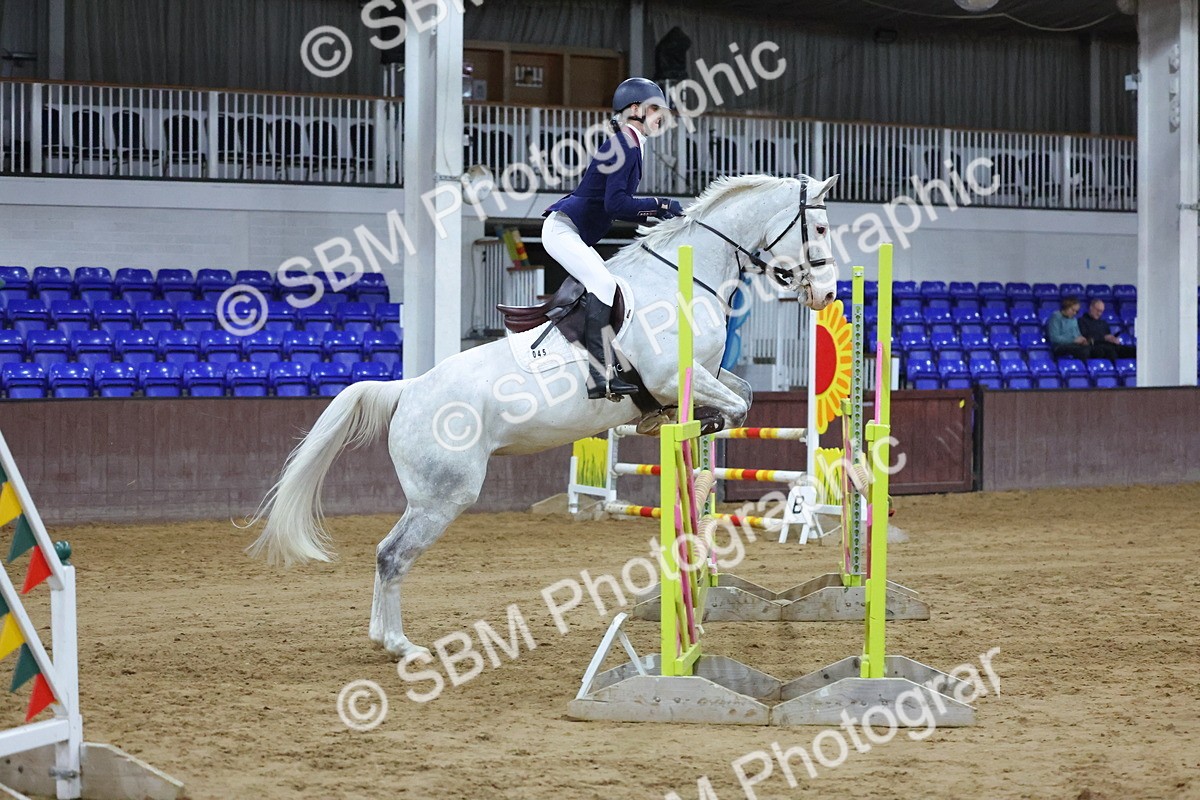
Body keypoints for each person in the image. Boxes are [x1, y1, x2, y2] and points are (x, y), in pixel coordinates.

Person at [541, 77, 684, 400]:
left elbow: (618, 208)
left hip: (572, 231)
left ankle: (607, 370)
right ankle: (598, 376)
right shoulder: (625, 145)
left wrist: (657, 213)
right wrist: (659, 205)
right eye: (654, 109)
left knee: (608, 285)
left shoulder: (630, 144)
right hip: (563, 230)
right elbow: (615, 205)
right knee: (604, 285)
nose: (661, 117)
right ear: (635, 109)